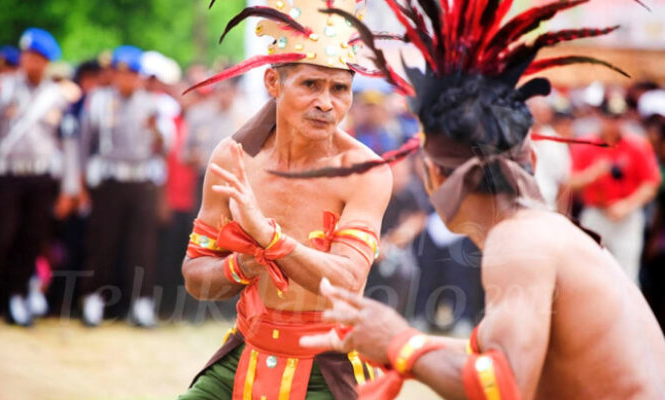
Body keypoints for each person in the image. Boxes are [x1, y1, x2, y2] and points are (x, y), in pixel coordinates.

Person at [280, 1, 665, 399]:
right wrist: (407, 354)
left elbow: (504, 386)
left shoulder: (517, 240)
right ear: (530, 158)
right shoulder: (545, 232)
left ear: (432, 174)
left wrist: (401, 342)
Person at [179, 0, 393, 398]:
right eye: (310, 85)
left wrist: (268, 238)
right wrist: (244, 263)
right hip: (247, 345)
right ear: (273, 84)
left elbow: (348, 280)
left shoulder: (366, 171)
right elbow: (195, 278)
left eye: (339, 89)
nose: (327, 103)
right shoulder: (233, 158)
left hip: (330, 363)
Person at [0, 28, 81, 326]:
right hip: (8, 177)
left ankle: (16, 297)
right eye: (30, 57)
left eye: (41, 59)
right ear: (23, 57)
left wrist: (70, 187)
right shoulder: (1, 89)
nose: (34, 64)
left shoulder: (57, 96)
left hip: (42, 179)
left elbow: (68, 144)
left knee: (31, 240)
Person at [78, 45, 169, 328]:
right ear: (113, 74)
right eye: (122, 73)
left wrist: (156, 129)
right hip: (110, 180)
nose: (128, 79)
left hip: (141, 180)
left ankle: (141, 303)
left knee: (141, 246)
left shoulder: (152, 104)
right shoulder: (99, 101)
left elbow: (166, 147)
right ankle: (93, 298)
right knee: (102, 242)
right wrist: (79, 185)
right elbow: (84, 145)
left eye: (133, 74)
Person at [568, 93, 661, 285]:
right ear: (600, 117)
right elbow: (570, 181)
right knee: (587, 269)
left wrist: (627, 205)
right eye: (609, 117)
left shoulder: (637, 145)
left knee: (627, 273)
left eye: (618, 118)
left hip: (626, 215)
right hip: (596, 212)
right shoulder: (585, 144)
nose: (613, 122)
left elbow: (651, 182)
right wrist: (593, 173)